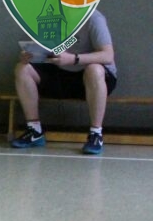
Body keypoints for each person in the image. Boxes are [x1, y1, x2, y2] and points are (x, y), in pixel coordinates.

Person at [10, 10, 116, 155]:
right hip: (61, 73)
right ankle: (34, 131)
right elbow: (39, 49)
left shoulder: (94, 18)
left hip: (92, 77)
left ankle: (96, 134)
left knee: (94, 69)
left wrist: (74, 59)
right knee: (22, 69)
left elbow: (108, 55)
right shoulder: (51, 17)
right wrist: (27, 56)